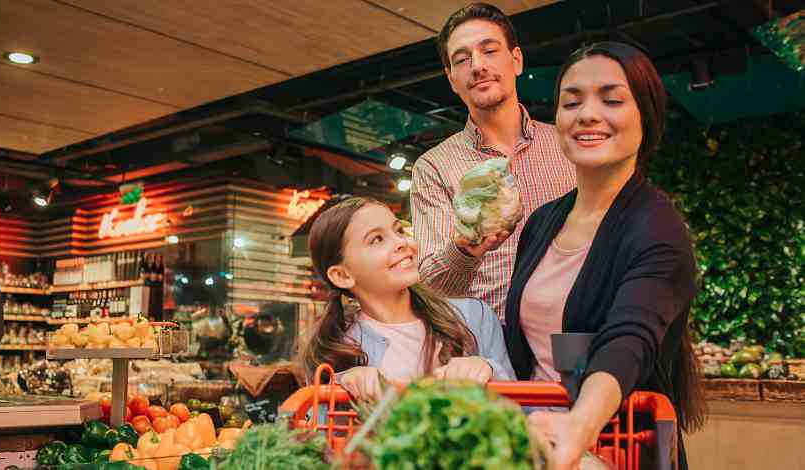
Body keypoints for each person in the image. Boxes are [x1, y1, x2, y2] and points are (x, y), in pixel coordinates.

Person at [502, 42, 705, 470]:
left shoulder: (657, 228)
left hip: (615, 452)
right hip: (533, 449)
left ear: (645, 116)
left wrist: (580, 425)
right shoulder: (541, 223)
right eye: (571, 102)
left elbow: (629, 339)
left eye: (611, 100)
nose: (588, 114)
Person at [411, 2, 575, 322]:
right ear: (452, 79)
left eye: (489, 50)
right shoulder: (434, 167)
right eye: (462, 59)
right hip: (486, 345)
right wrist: (465, 247)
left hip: (570, 331)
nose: (477, 66)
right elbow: (430, 289)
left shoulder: (567, 146)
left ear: (516, 60)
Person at [301, 197, 515, 401]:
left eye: (399, 231)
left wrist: (488, 369)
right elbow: (322, 432)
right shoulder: (336, 351)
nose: (401, 242)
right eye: (376, 239)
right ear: (342, 275)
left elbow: (522, 411)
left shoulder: (474, 315)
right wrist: (343, 388)